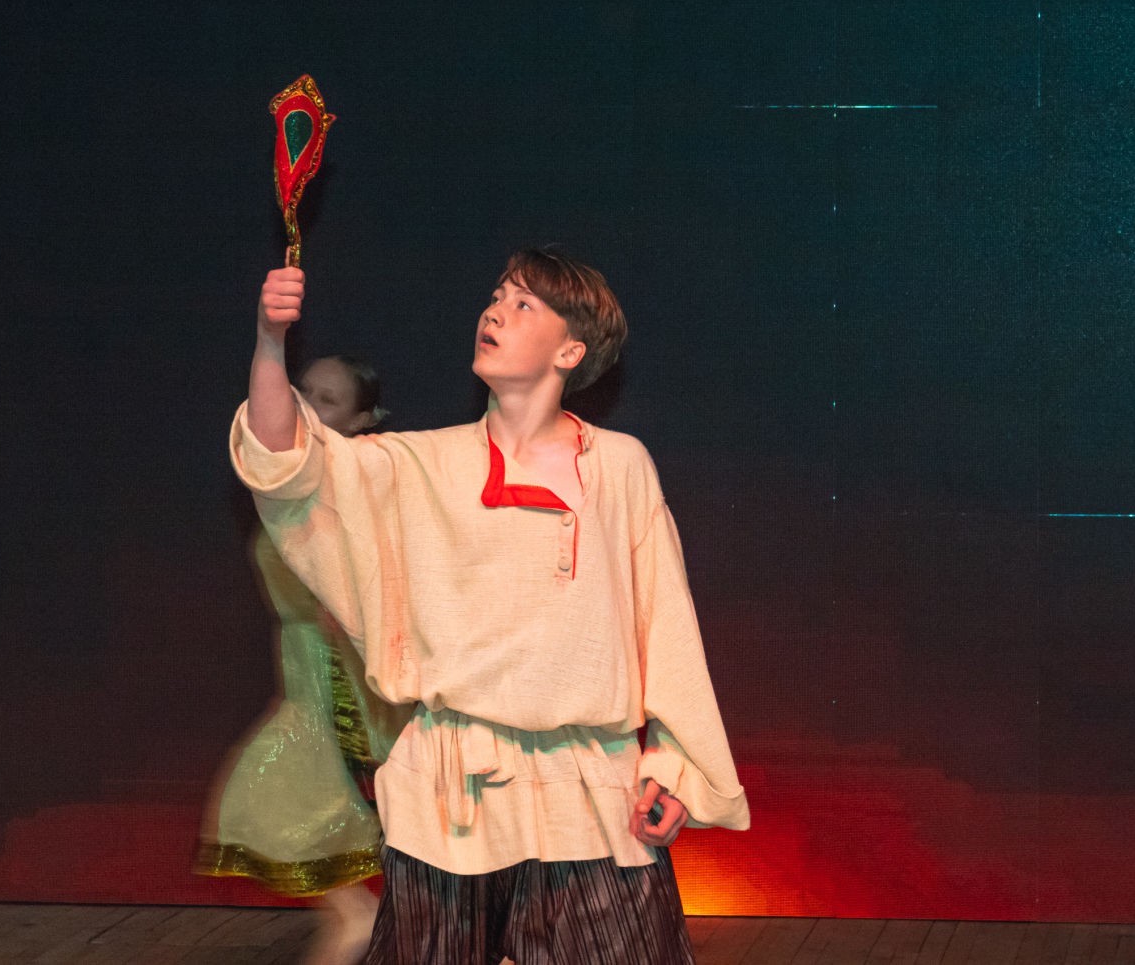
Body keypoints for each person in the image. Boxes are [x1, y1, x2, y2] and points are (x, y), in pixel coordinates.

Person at [230, 248, 749, 964]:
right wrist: (269, 339)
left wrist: (672, 761)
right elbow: (287, 461)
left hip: (588, 796)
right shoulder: (422, 464)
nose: (495, 311)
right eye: (497, 296)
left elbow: (665, 623)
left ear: (570, 350)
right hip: (452, 798)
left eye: (523, 303)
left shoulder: (620, 465)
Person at [202, 355, 409, 965]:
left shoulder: (357, 485)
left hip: (351, 678)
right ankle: (354, 912)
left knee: (279, 786)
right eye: (305, 392)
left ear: (361, 421)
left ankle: (368, 916)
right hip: (307, 672)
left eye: (329, 400)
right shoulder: (285, 481)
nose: (309, 407)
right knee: (280, 791)